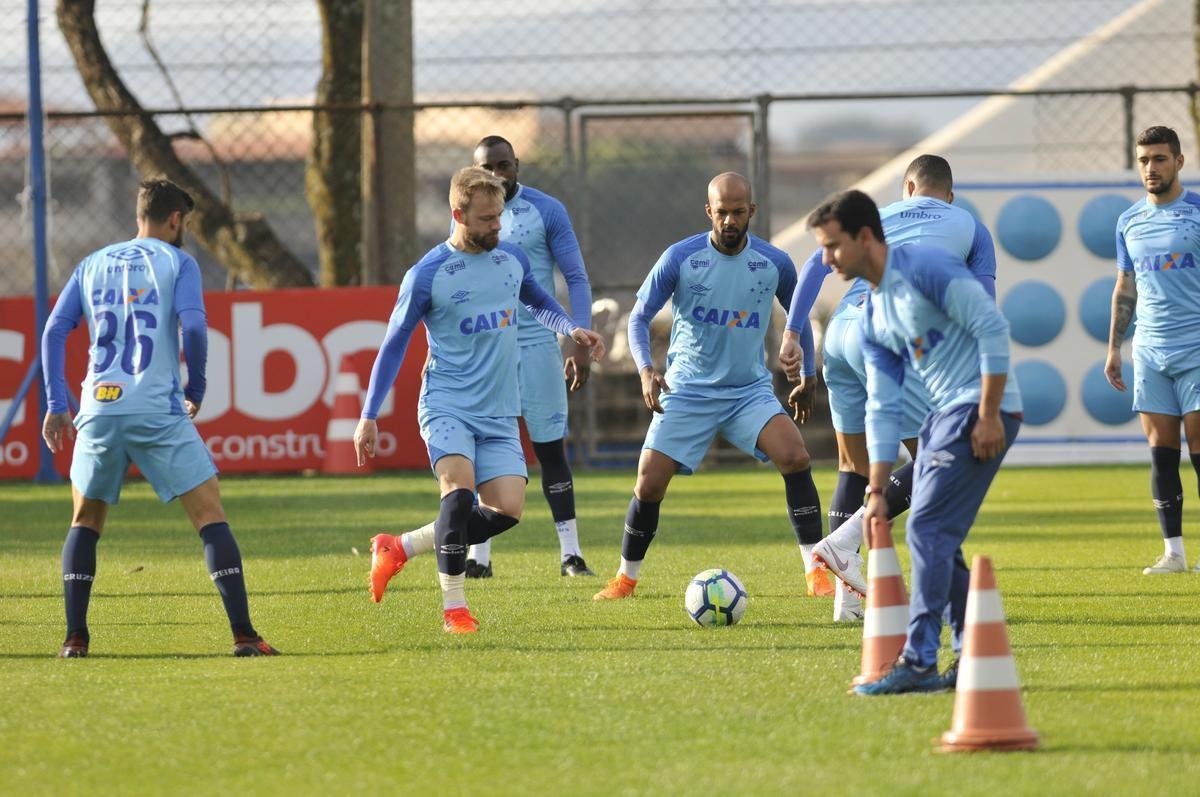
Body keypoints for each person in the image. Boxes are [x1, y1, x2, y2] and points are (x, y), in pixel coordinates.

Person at [357, 167, 604, 633]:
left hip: (498, 409)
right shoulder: (427, 274)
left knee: (506, 509)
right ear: (458, 214)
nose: (498, 227)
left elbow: (537, 301)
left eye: (501, 217)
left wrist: (570, 328)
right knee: (458, 494)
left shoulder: (510, 258)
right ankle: (455, 610)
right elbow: (393, 345)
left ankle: (400, 547)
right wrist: (368, 415)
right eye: (488, 219)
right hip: (447, 402)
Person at [40, 178, 278, 658]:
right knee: (209, 514)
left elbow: (53, 332)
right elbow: (193, 325)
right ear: (175, 220)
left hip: (99, 408)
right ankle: (245, 636)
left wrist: (57, 404)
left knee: (85, 520)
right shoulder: (177, 261)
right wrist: (196, 388)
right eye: (183, 222)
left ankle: (74, 640)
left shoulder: (92, 263)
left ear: (138, 214)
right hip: (155, 408)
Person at [804, 189, 1021, 695]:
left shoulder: (927, 268)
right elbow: (882, 407)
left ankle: (920, 660)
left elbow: (992, 328)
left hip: (982, 407)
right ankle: (971, 658)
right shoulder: (875, 312)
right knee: (940, 535)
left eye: (833, 247)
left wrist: (989, 414)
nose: (826, 259)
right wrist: (877, 486)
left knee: (925, 525)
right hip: (946, 414)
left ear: (864, 237)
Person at [781, 154, 997, 621]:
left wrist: (793, 333)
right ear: (950, 196)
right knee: (936, 463)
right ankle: (853, 546)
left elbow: (815, 266)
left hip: (840, 334)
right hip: (889, 332)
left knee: (851, 468)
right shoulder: (971, 226)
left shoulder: (875, 219)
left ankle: (847, 603)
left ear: (908, 188)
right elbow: (982, 303)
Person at [592, 172, 827, 601]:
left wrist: (808, 375)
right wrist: (646, 369)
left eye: (739, 212)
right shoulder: (680, 257)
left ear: (751, 211)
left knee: (795, 457)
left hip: (747, 392)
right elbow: (639, 318)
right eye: (722, 212)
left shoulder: (773, 262)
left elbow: (799, 319)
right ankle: (625, 579)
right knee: (648, 484)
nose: (730, 220)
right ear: (709, 212)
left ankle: (817, 572)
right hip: (687, 389)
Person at [466, 135, 595, 579]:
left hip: (539, 343)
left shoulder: (547, 210)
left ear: (517, 164)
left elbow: (575, 276)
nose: (498, 175)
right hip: (489, 348)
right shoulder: (467, 218)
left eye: (505, 165)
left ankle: (570, 555)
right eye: (488, 168)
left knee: (549, 448)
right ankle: (479, 557)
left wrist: (578, 337)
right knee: (486, 449)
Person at [1106, 125, 1200, 575]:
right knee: (1161, 449)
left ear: (1179, 162)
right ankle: (1174, 553)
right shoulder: (1128, 221)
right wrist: (1114, 348)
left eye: (1160, 159)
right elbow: (1126, 286)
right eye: (1144, 160)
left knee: (1198, 445)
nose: (1151, 168)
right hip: (1150, 350)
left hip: (1196, 347)